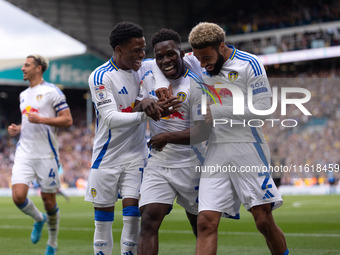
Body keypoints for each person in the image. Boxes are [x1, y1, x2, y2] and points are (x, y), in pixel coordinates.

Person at [156, 22, 289, 255]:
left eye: (207, 57)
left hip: (248, 147)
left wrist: (220, 111)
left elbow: (264, 108)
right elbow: (157, 63)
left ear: (221, 46)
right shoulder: (195, 58)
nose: (203, 64)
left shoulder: (250, 63)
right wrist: (159, 85)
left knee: (263, 220)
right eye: (199, 58)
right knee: (205, 220)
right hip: (216, 150)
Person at [84, 22, 177, 255]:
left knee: (133, 216)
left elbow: (157, 72)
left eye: (143, 49)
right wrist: (145, 112)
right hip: (106, 156)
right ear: (119, 50)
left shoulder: (143, 68)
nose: (141, 55)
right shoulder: (100, 76)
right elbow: (111, 118)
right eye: (136, 50)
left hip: (136, 156)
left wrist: (154, 97)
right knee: (103, 220)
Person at [136, 29, 209, 255]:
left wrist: (167, 137)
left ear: (182, 53)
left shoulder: (196, 85)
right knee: (148, 220)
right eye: (160, 56)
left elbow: (204, 131)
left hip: (191, 164)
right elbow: (135, 104)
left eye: (170, 54)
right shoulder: (148, 72)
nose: (165, 60)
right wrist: (145, 101)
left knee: (200, 226)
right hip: (159, 163)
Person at [8, 54, 73, 255]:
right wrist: (19, 128)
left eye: (27, 65)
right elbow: (30, 121)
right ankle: (39, 219)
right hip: (24, 153)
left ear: (38, 68)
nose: (22, 68)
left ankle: (52, 242)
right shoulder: (23, 95)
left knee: (49, 201)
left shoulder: (52, 92)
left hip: (46, 155)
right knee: (18, 197)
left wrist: (42, 120)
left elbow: (67, 120)